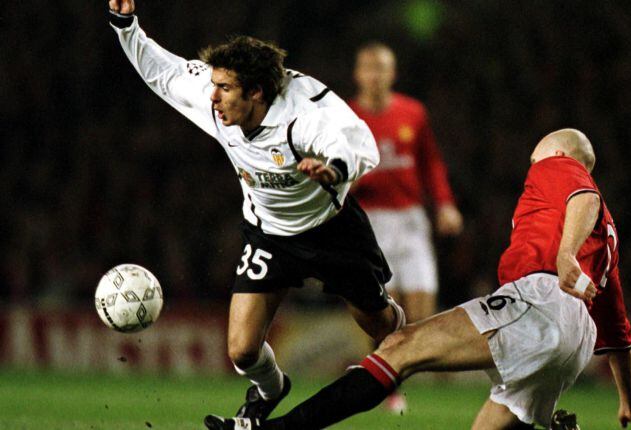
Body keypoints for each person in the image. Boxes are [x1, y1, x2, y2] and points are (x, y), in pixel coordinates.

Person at [204, 129, 631, 430]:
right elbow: (618, 332)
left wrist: (562, 256)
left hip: (539, 300)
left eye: (536, 152)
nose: (531, 160)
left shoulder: (558, 167)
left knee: (400, 349)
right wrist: (629, 401)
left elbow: (584, 198)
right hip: (575, 341)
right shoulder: (608, 241)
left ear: (557, 153)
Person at [107, 0, 406, 423]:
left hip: (331, 229)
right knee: (242, 351)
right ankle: (271, 388)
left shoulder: (304, 113)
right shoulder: (219, 99)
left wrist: (334, 170)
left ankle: (402, 324)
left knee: (383, 330)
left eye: (225, 89)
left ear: (257, 92)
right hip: (269, 234)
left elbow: (352, 144)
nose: (213, 98)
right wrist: (125, 26)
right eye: (214, 85)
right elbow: (166, 73)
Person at [350, 41, 463, 413]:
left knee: (421, 310)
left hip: (411, 218)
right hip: (371, 220)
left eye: (382, 68)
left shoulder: (413, 113)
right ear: (358, 74)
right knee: (384, 310)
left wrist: (444, 203)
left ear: (392, 74)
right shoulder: (347, 116)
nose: (376, 75)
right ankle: (387, 387)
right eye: (369, 67)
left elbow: (431, 163)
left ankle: (392, 374)